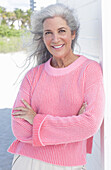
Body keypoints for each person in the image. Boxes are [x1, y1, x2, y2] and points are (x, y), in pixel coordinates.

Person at [8, 3, 105, 170]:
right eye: (48, 33)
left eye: (61, 31)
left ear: (73, 33)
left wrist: (36, 120)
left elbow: (89, 125)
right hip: (27, 162)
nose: (55, 39)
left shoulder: (89, 70)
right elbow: (19, 129)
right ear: (43, 37)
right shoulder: (33, 75)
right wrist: (72, 123)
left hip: (70, 165)